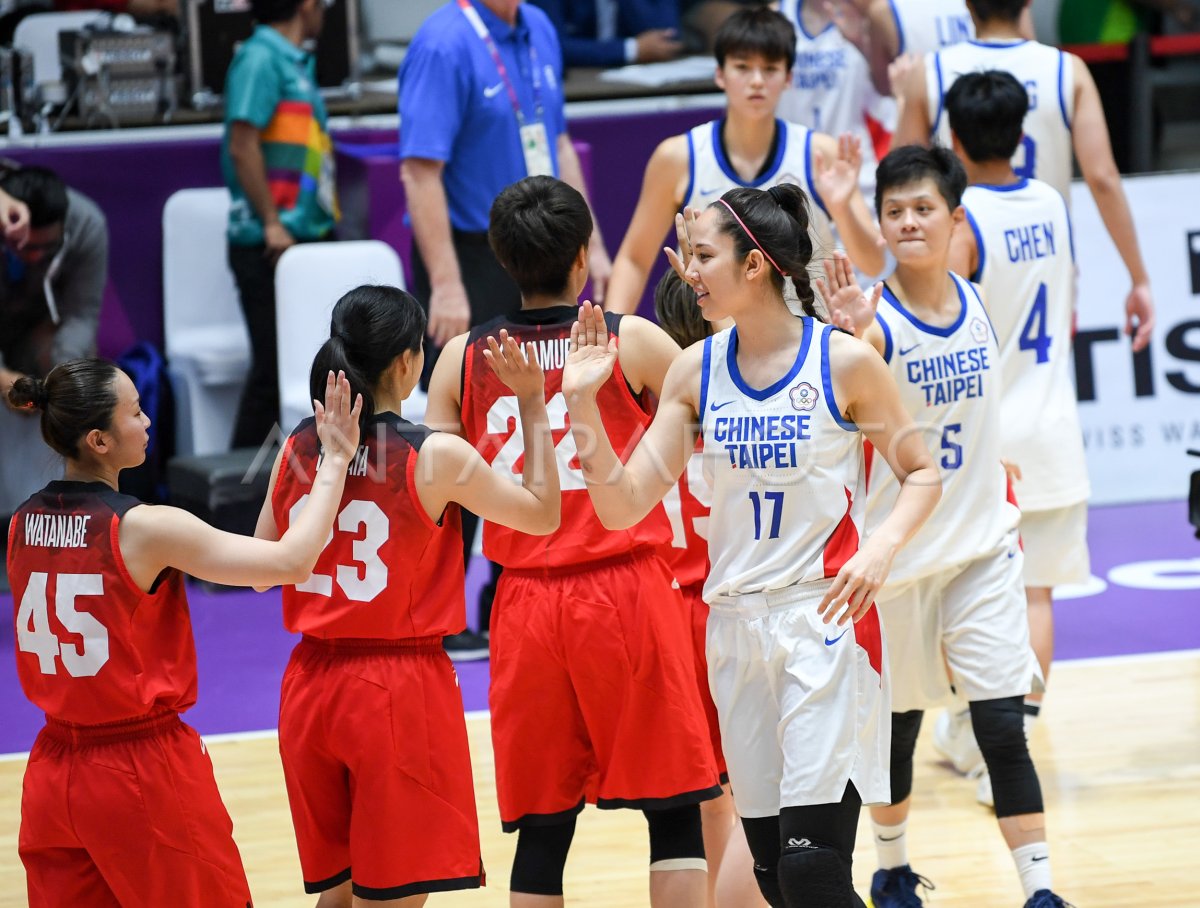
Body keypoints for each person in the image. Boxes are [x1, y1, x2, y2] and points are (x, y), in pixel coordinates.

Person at [562, 183, 942, 907]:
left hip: (824, 624)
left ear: (757, 265)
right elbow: (621, 504)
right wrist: (583, 400)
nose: (687, 273)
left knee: (809, 868)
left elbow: (922, 472)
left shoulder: (845, 363)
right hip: (736, 631)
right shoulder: (693, 371)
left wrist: (882, 545)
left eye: (703, 256)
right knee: (771, 873)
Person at [424, 175, 721, 908]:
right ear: (585, 255)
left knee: (544, 829)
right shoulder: (632, 340)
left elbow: (431, 483)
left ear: (499, 258)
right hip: (625, 592)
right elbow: (727, 395)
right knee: (676, 812)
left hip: (522, 603)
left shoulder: (462, 359)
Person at [6, 358, 361, 907]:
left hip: (54, 773)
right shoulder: (146, 527)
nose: (148, 421)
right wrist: (335, 458)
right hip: (139, 773)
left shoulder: (21, 522)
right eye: (136, 411)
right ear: (99, 439)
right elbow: (290, 561)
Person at [819, 143, 1071, 908]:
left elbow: (971, 414)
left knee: (1001, 722)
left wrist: (993, 464)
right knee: (895, 731)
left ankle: (1041, 889)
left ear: (956, 219)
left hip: (980, 550)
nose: (908, 223)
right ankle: (891, 869)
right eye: (893, 212)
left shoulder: (972, 295)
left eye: (923, 208)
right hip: (896, 561)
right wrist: (850, 335)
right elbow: (851, 396)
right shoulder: (876, 326)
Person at [255, 285, 560, 904]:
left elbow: (264, 567)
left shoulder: (298, 445)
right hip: (395, 692)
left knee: (337, 894)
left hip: (309, 687)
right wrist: (532, 404)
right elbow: (542, 514)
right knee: (393, 897)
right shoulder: (435, 455)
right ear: (407, 363)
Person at [399, 0, 614, 659]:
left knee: (538, 413)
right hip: (474, 255)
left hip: (544, 243)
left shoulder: (542, 28)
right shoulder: (442, 43)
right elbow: (420, 170)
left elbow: (556, 148)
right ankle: (441, 609)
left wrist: (593, 241)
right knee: (465, 431)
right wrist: (446, 283)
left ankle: (503, 592)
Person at [939, 70, 1085, 805]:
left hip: (988, 436)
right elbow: (1072, 297)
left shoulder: (960, 223)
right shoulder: (1055, 202)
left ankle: (984, 741)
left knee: (968, 596)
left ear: (954, 141)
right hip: (1056, 422)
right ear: (1023, 134)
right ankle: (994, 747)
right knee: (1036, 596)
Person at [890, 0, 1155, 355]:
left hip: (961, 252)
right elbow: (1103, 178)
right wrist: (1138, 277)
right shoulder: (1066, 68)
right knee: (1045, 378)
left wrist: (900, 100)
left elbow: (902, 174)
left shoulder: (931, 70)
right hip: (1041, 248)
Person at [605, 5, 885, 315]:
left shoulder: (821, 153)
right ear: (719, 74)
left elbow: (873, 261)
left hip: (808, 341)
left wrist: (842, 209)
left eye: (769, 69)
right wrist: (612, 339)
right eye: (742, 67)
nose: (756, 81)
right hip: (713, 345)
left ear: (788, 77)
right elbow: (634, 259)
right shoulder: (678, 157)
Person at [653, 270, 768, 908]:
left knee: (702, 800)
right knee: (754, 791)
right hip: (733, 610)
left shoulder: (652, 418)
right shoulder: (753, 414)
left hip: (668, 613)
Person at [222, 0, 338, 450]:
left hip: (305, 238)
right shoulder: (259, 58)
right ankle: (233, 489)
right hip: (269, 244)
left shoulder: (293, 59)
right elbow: (241, 145)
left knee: (306, 368)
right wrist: (271, 221)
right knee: (272, 372)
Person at [1, 165, 108, 526]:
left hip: (42, 324)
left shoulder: (87, 224)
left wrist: (62, 379)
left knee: (71, 374)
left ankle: (66, 510)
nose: (33, 257)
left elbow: (81, 314)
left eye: (45, 248)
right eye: (23, 246)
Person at [776, 0, 896, 200]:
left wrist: (861, 42)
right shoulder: (774, 18)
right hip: (789, 174)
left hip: (860, 173)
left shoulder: (872, 16)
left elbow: (893, 88)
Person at [529, 0, 683, 68]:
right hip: (580, 87)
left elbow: (667, 38)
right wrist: (631, 49)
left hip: (635, 85)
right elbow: (553, 46)